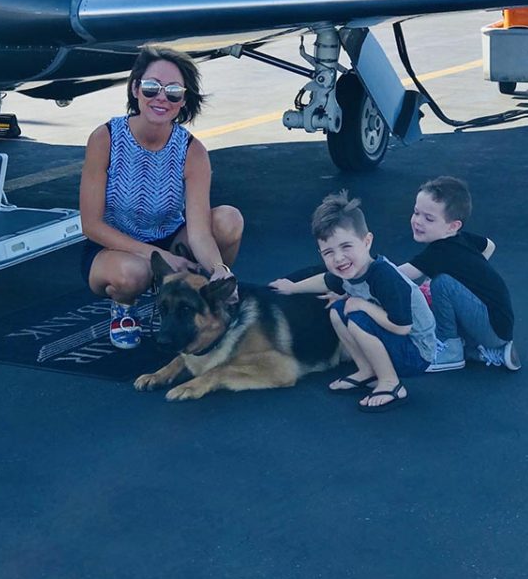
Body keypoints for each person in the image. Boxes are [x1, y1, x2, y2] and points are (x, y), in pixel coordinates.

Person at [79, 45, 243, 349]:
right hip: (114, 246)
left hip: (171, 239)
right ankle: (124, 307)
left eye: (173, 92)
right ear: (135, 88)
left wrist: (220, 269)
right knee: (132, 274)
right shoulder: (105, 138)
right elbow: (90, 224)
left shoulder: (192, 151)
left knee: (229, 219)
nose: (161, 98)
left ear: (183, 100)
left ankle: (204, 298)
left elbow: (199, 231)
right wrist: (156, 257)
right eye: (152, 87)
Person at [270, 191, 436, 412]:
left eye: (346, 247)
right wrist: (292, 287)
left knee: (357, 316)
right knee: (337, 310)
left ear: (366, 241)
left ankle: (391, 383)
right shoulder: (350, 271)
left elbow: (403, 326)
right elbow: (326, 281)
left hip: (417, 352)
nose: (338, 258)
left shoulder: (383, 276)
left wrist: (362, 305)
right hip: (397, 342)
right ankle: (367, 371)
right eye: (328, 252)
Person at [399, 176, 520, 372]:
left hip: (492, 327)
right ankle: (478, 349)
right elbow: (489, 245)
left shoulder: (440, 252)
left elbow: (398, 276)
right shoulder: (462, 239)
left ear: (453, 226)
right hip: (498, 323)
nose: (418, 221)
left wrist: (358, 276)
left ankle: (450, 352)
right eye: (416, 212)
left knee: (441, 284)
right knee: (441, 286)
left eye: (429, 218)